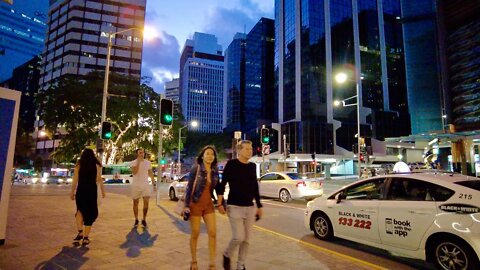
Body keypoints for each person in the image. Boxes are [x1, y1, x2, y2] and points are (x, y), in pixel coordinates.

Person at [216, 140, 263, 270]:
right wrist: (220, 203)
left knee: (247, 240)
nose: (250, 151)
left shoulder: (252, 166)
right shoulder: (231, 165)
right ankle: (227, 254)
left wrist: (259, 206)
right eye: (247, 148)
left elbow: (254, 187)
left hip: (249, 207)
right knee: (238, 237)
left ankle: (240, 265)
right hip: (234, 206)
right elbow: (222, 183)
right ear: (239, 150)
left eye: (251, 148)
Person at [182, 145, 220, 270]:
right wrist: (186, 205)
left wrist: (221, 204)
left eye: (212, 154)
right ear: (202, 156)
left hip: (208, 204)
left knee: (213, 232)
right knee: (195, 233)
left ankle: (212, 263)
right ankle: (194, 261)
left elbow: (217, 189)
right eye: (207, 153)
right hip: (195, 204)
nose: (210, 156)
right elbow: (189, 187)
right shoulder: (196, 168)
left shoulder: (215, 171)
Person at [70, 148, 105, 245]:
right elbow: (98, 179)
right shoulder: (96, 165)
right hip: (91, 191)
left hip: (81, 191)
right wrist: (102, 191)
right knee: (90, 213)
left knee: (79, 211)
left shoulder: (79, 165)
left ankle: (80, 231)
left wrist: (72, 192)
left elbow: (75, 180)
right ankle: (85, 238)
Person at [130, 148, 156, 227]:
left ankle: (144, 219)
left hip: (145, 185)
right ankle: (136, 219)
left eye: (143, 153)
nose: (142, 154)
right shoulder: (133, 162)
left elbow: (150, 173)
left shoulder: (147, 163)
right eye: (140, 153)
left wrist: (153, 183)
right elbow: (134, 172)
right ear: (137, 154)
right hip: (136, 185)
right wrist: (138, 162)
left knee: (146, 202)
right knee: (135, 203)